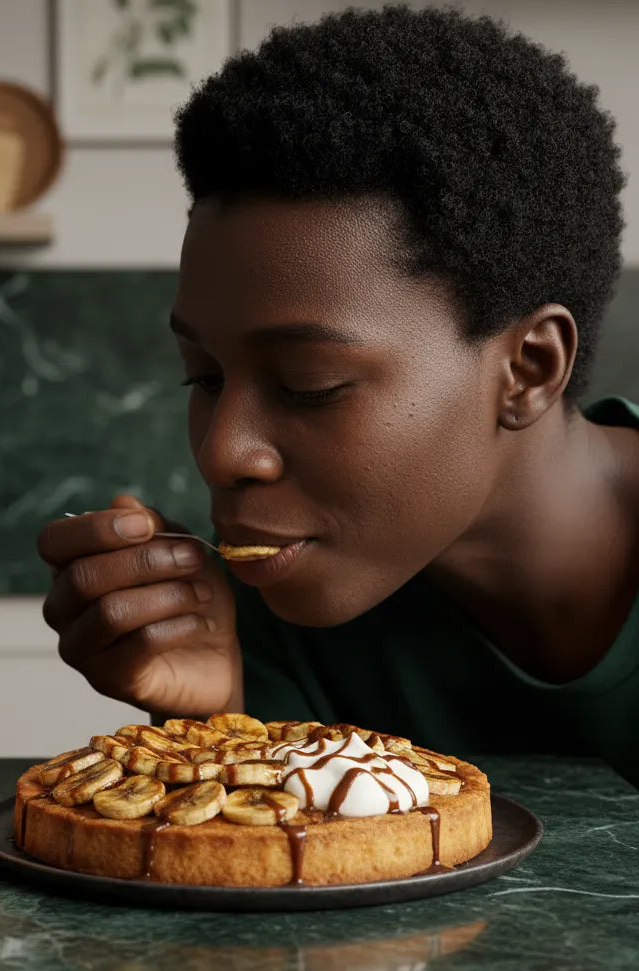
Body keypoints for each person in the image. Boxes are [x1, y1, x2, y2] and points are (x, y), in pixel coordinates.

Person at [37, 5, 639, 787]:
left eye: (308, 385)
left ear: (528, 368)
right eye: (204, 377)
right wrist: (218, 733)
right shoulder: (267, 606)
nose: (222, 453)